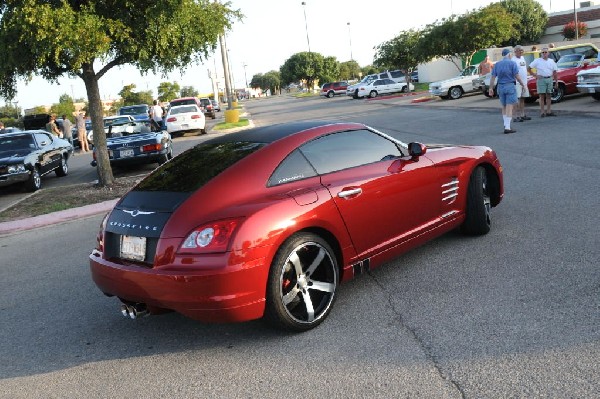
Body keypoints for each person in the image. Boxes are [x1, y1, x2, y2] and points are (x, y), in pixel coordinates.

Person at [488, 48, 526, 134]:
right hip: (510, 85)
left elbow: (493, 77)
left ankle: (506, 124)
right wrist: (523, 85)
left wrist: (490, 88)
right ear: (509, 54)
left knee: (504, 106)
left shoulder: (497, 64)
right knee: (509, 106)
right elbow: (517, 75)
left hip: (500, 86)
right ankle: (508, 127)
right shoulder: (512, 63)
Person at [528, 47, 559, 117]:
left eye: (546, 52)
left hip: (549, 79)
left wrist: (556, 82)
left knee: (549, 95)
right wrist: (535, 75)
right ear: (541, 53)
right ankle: (542, 112)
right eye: (543, 52)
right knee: (541, 96)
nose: (544, 53)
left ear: (548, 53)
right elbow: (529, 68)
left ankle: (549, 111)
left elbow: (555, 72)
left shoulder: (551, 61)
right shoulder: (537, 61)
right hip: (541, 79)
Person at [511, 45, 531, 122]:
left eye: (522, 50)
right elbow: (513, 72)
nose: (521, 52)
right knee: (516, 99)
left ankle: (522, 114)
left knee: (523, 99)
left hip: (524, 82)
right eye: (519, 50)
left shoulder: (522, 58)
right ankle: (515, 116)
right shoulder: (513, 60)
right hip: (517, 83)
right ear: (515, 51)